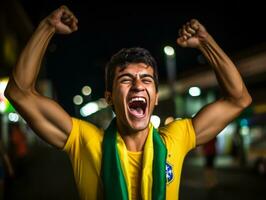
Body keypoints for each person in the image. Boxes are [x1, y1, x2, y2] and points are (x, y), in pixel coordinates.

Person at [4, 5, 252, 200]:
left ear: (154, 97)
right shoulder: (85, 141)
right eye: (126, 79)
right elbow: (19, 92)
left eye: (146, 79)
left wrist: (207, 43)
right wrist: (47, 27)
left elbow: (238, 99)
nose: (137, 85)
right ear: (110, 97)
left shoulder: (176, 137)